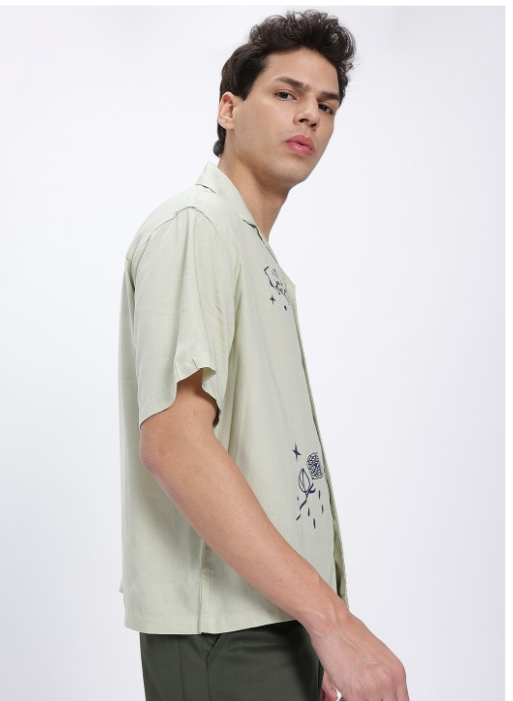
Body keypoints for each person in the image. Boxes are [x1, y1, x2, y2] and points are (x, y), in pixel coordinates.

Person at [118, 9, 410, 701]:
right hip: (227, 631)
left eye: (326, 105)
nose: (310, 115)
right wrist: (333, 623)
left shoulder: (252, 254)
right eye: (286, 93)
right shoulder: (198, 226)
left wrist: (319, 623)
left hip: (275, 619)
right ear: (229, 109)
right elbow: (175, 444)